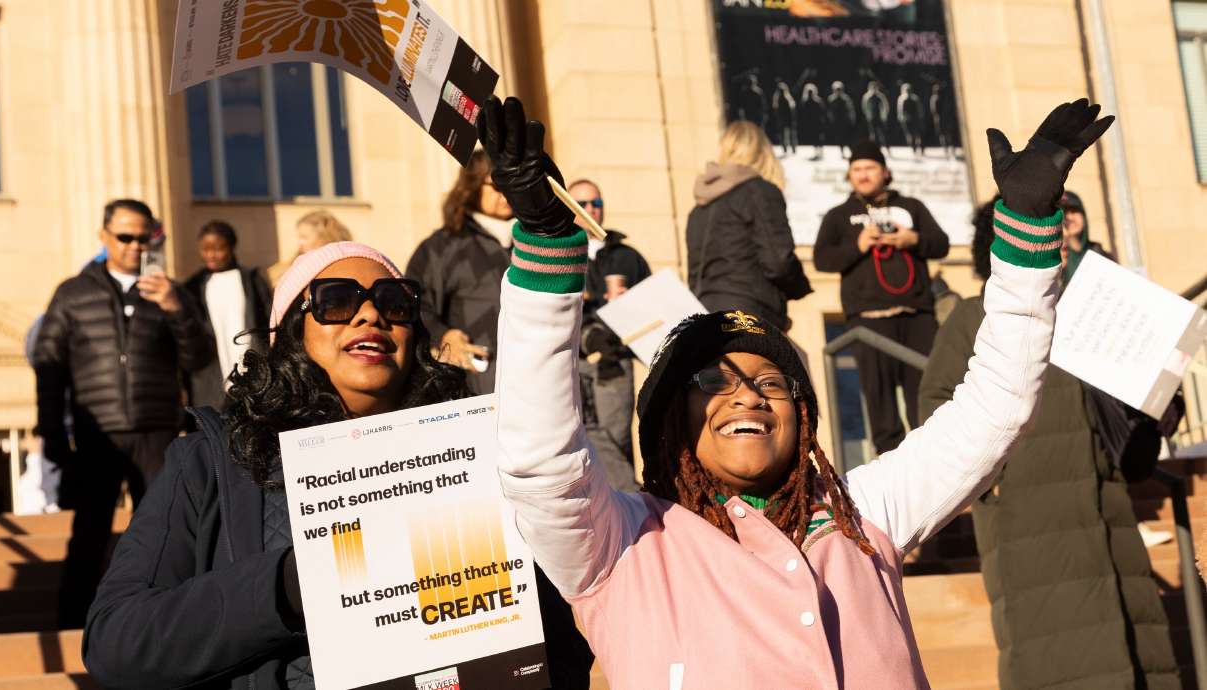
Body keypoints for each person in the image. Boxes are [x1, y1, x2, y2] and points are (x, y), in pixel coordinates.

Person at [481, 95, 1112, 688]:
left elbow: (995, 407)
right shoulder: (620, 544)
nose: (748, 396)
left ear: (803, 416)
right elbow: (542, 465)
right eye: (713, 381)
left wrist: (1027, 231)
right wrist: (544, 243)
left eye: (771, 381)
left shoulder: (864, 516)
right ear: (671, 420)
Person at [83, 242, 594, 689]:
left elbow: (562, 639)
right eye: (337, 300)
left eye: (396, 304)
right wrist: (285, 587)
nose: (370, 316)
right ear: (289, 334)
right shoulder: (209, 461)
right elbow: (116, 641)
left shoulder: (481, 460)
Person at [918, 198, 1181, 690]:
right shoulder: (974, 319)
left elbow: (1127, 439)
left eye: (1053, 236)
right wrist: (987, 478)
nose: (1053, 246)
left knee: (1141, 660)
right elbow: (936, 408)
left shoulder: (1087, 315)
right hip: (1027, 525)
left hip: (1109, 519)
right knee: (1059, 663)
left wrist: (1159, 404)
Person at [32, 198, 214, 627]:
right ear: (104, 236)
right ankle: (72, 624)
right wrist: (52, 431)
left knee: (167, 532)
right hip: (100, 434)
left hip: (158, 431)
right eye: (125, 237)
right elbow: (48, 365)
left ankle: (168, 622)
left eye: (144, 237)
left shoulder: (169, 291)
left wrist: (176, 308)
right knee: (90, 535)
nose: (135, 246)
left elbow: (200, 356)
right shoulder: (73, 292)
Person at [813, 140, 949, 453]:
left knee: (928, 405)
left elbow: (941, 243)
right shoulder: (838, 216)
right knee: (882, 411)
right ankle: (895, 485)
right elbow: (822, 260)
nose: (862, 175)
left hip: (916, 318)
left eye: (869, 168)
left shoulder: (912, 206)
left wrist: (914, 239)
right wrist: (858, 246)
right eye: (856, 169)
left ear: (884, 172)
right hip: (869, 324)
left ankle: (936, 472)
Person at [406, 149, 514, 395]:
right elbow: (413, 303)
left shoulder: (535, 241)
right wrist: (442, 337)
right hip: (476, 387)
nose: (507, 193)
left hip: (539, 388)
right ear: (473, 186)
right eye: (498, 185)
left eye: (513, 184)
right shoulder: (442, 246)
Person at [686, 121, 813, 330]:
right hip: (749, 315)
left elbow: (695, 275)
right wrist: (799, 287)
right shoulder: (760, 192)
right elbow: (778, 261)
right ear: (763, 154)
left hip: (705, 321)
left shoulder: (698, 209)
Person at [568, 178, 651, 492]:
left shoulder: (626, 256)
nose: (591, 210)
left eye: (596, 204)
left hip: (614, 360)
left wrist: (627, 305)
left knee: (614, 438)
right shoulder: (562, 252)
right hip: (572, 361)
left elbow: (652, 303)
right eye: (582, 204)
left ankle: (626, 505)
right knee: (583, 437)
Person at [184, 220, 273, 410]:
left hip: (254, 376)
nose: (211, 255)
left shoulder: (253, 281)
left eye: (218, 248)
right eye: (205, 249)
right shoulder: (193, 286)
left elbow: (268, 322)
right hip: (210, 383)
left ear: (232, 247)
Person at [267, 209, 354, 287]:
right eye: (299, 237)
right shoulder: (295, 263)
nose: (300, 243)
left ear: (324, 237)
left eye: (304, 237)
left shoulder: (342, 262)